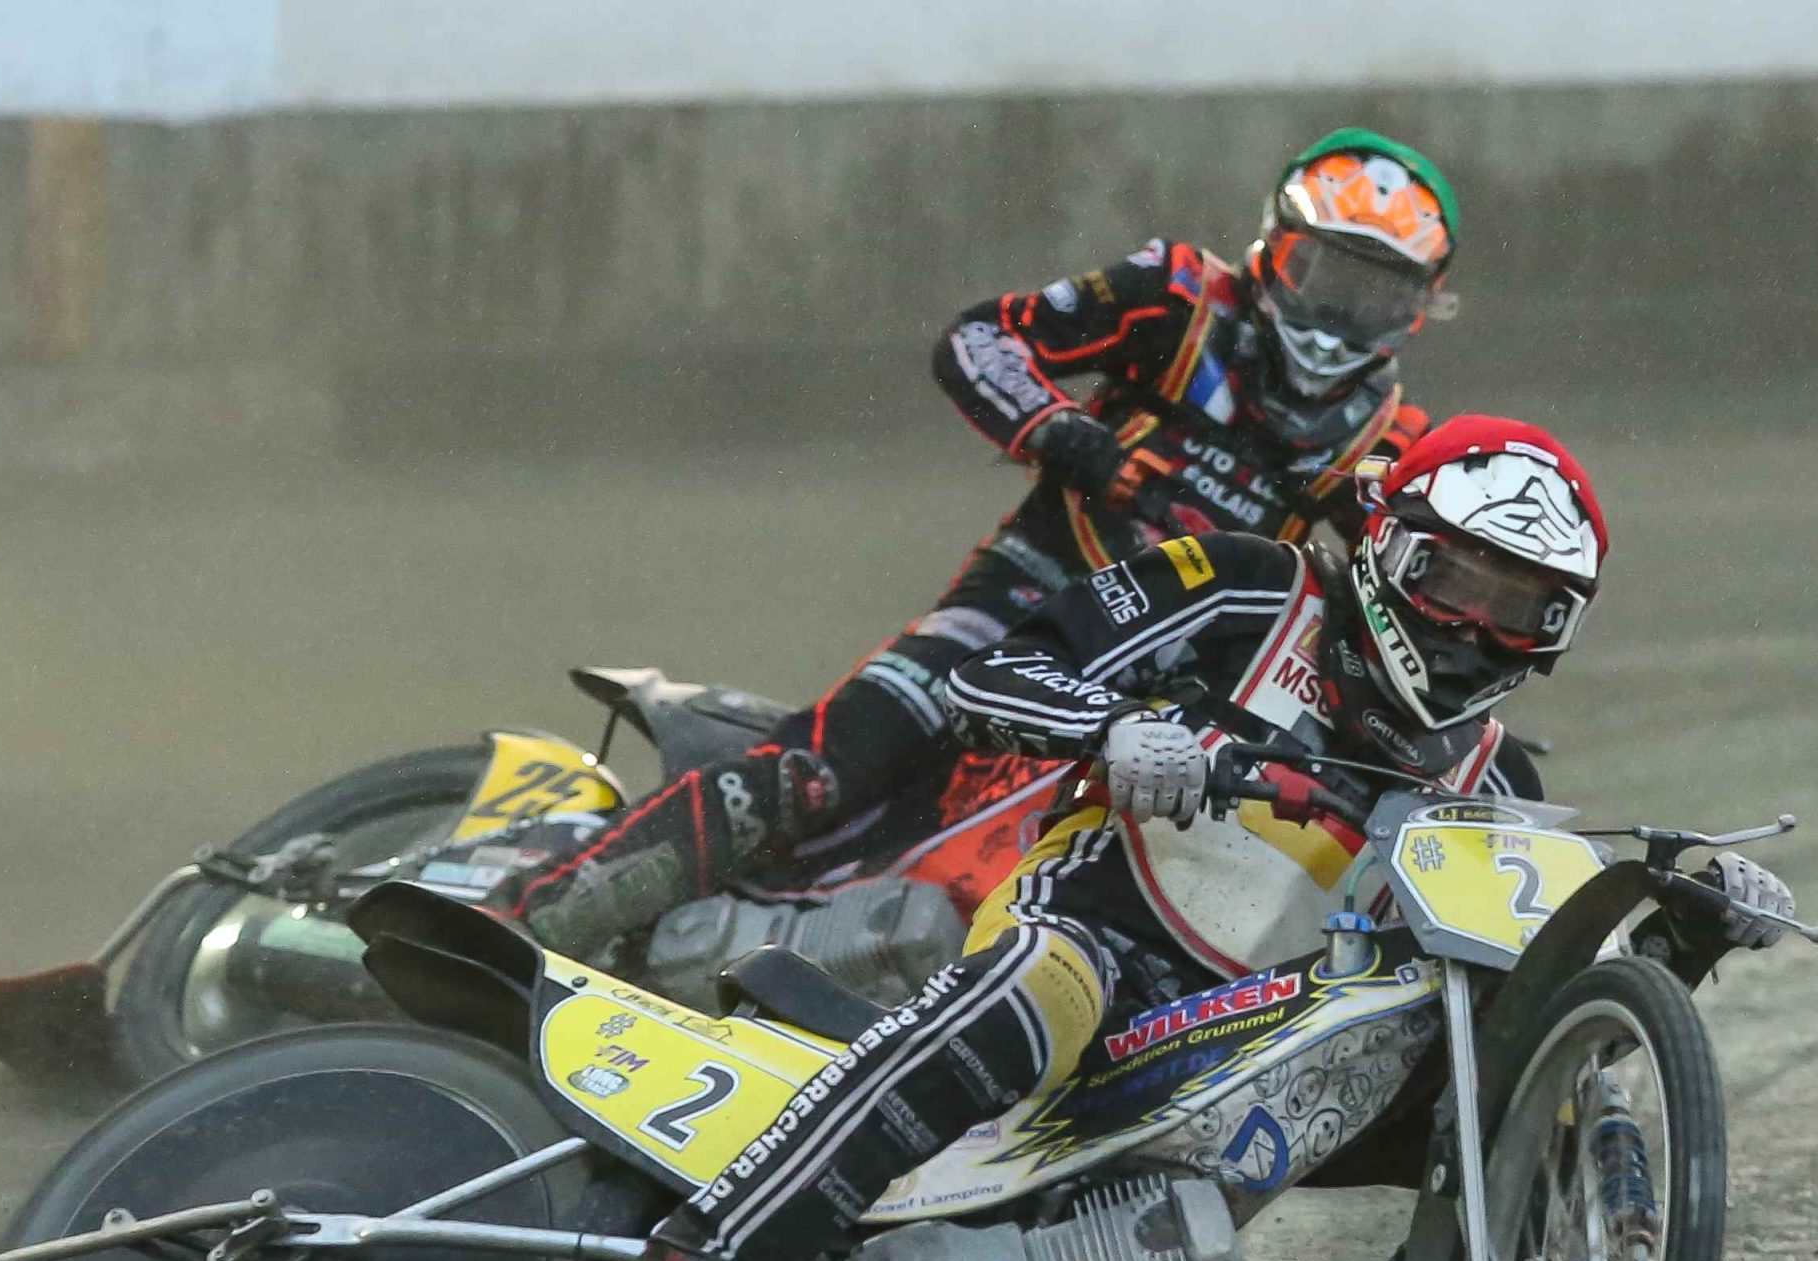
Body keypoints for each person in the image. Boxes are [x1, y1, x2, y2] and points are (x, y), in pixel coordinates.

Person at [587, 415, 1800, 1261]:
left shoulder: (1501, 779)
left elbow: (1535, 1008)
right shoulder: (1246, 585)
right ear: (1388, 542)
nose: (1478, 629)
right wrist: (1117, 728)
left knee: (1522, 1111)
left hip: (1266, 1052)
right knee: (1038, 983)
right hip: (1097, 938)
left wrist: (1682, 937)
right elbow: (995, 674)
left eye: (1524, 608)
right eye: (1458, 581)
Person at [516, 128, 1463, 959]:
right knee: (821, 770)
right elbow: (980, 340)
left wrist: (1451, 708)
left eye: (1375, 294)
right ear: (1274, 250)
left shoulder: (1389, 444)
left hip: (1150, 686)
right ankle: (530, 917)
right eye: (1325, 276)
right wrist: (1065, 433)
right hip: (1018, 606)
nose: (1339, 315)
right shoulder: (1177, 295)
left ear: (1419, 309)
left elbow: (1401, 596)